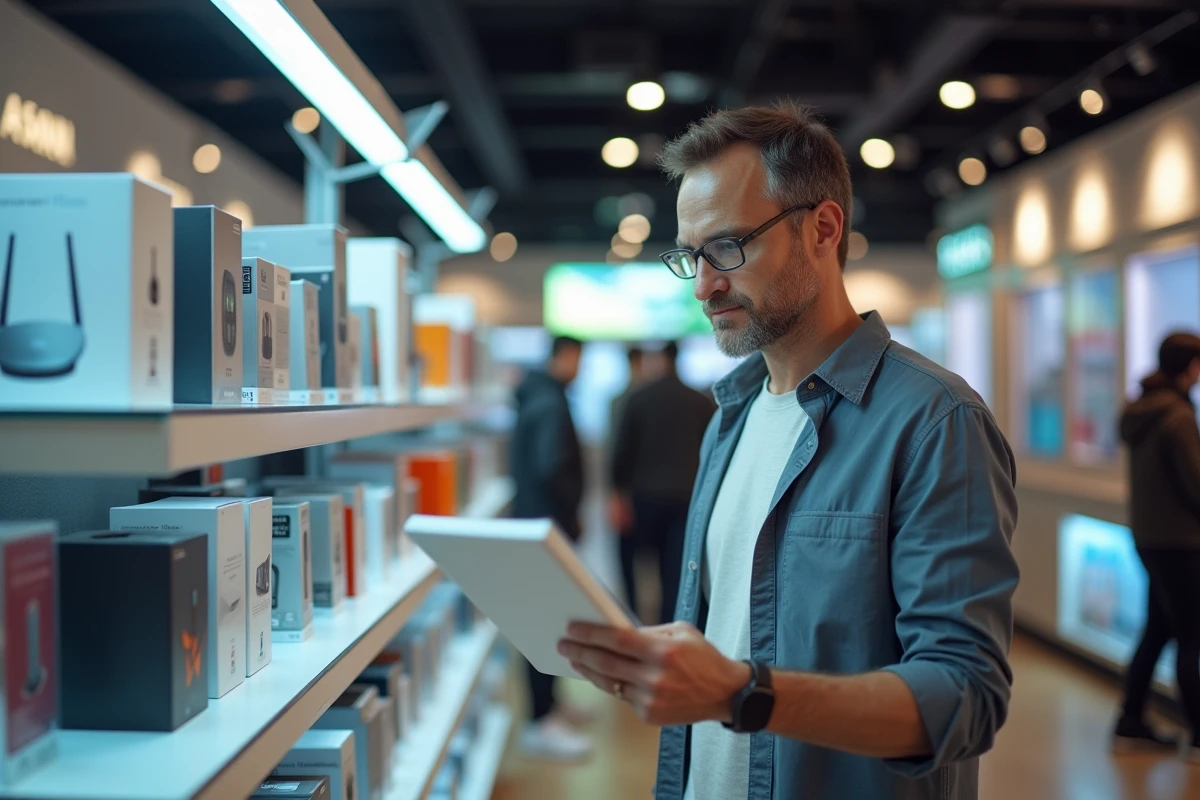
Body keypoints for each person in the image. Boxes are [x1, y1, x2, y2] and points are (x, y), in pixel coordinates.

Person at [556, 102, 1019, 800]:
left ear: (823, 229)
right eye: (691, 256)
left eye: (729, 248)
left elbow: (964, 696)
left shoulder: (934, 421)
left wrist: (748, 693)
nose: (707, 285)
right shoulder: (730, 419)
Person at [1113, 332, 1200, 758]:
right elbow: (1195, 487)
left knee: (1159, 629)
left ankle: (1130, 720)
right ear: (1190, 365)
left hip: (1150, 537)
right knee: (1191, 635)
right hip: (1182, 542)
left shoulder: (1140, 409)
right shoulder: (1179, 415)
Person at [510, 334, 591, 760]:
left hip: (535, 526)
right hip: (547, 530)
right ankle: (541, 721)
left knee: (549, 619)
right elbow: (552, 467)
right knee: (544, 624)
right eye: (579, 359)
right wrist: (572, 514)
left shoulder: (537, 396)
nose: (580, 369)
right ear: (566, 356)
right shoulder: (550, 403)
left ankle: (551, 706)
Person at [611, 341, 715, 624]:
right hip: (686, 499)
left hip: (644, 499)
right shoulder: (700, 401)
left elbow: (622, 452)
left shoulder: (638, 398)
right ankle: (672, 626)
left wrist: (618, 496)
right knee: (676, 572)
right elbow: (713, 455)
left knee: (635, 566)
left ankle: (633, 621)